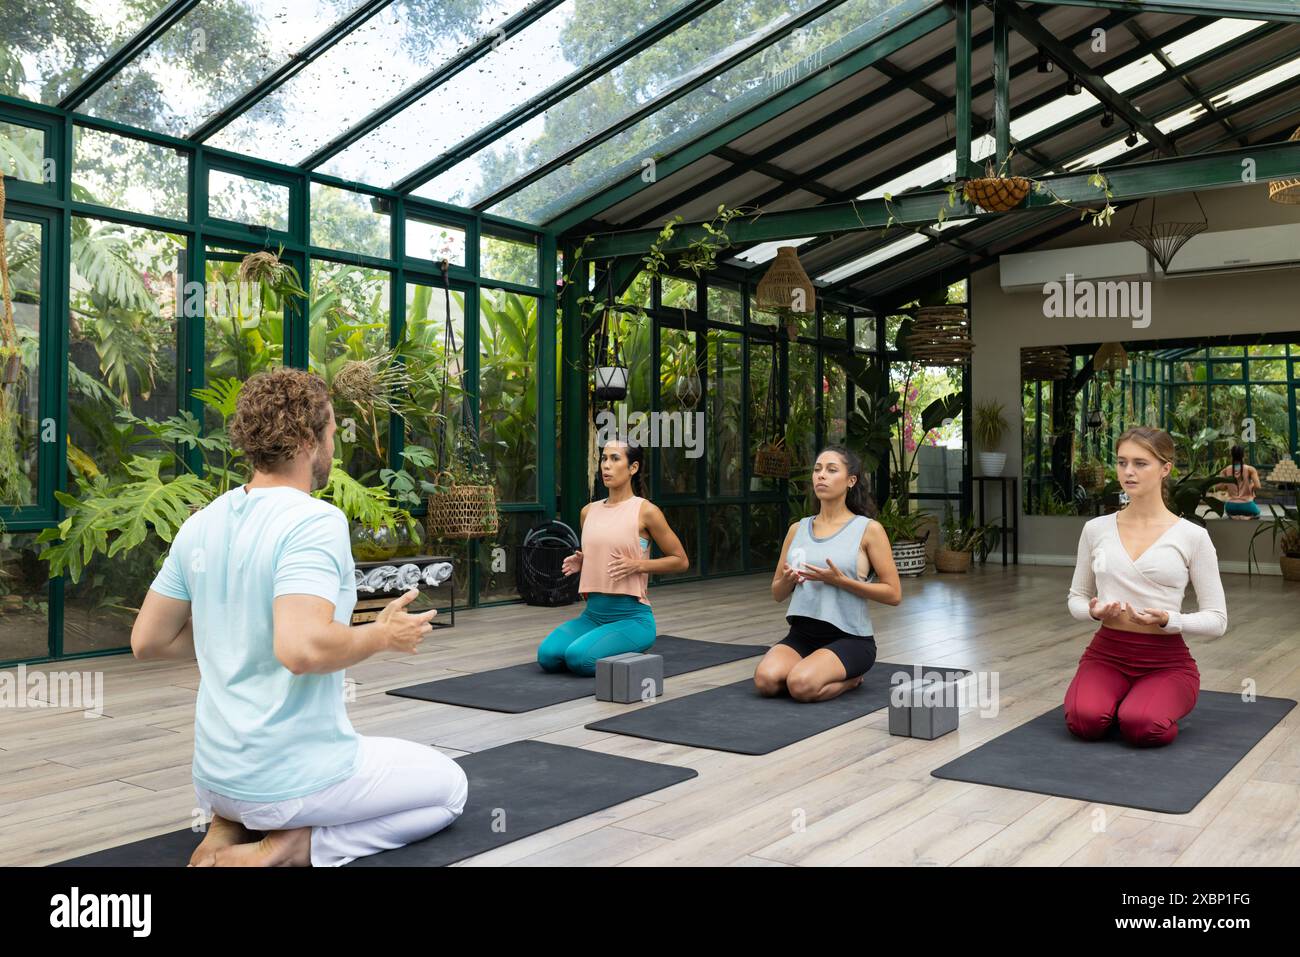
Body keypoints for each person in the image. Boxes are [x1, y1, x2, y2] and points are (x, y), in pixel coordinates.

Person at [130, 368, 468, 866]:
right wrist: (380, 635)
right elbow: (301, 649)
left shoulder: (202, 522)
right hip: (287, 782)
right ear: (309, 438)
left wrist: (236, 627)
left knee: (361, 752)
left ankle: (230, 824)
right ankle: (294, 848)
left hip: (217, 778)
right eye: (332, 431)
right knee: (450, 788)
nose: (335, 442)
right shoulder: (313, 520)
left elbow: (149, 640)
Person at [1065, 425, 1227, 747]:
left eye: (1140, 463)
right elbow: (1076, 598)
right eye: (1122, 462)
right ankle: (1118, 700)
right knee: (1084, 722)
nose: (1128, 471)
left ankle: (1140, 703)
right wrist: (1093, 612)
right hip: (1106, 653)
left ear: (1165, 469)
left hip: (1165, 661)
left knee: (1142, 726)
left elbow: (1217, 620)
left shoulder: (1192, 537)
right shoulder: (1095, 529)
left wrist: (1170, 619)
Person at [756, 446, 901, 702]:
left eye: (832, 470)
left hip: (850, 639)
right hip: (802, 635)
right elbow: (777, 593)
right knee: (766, 681)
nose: (821, 475)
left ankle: (851, 681)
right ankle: (811, 669)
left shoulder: (869, 530)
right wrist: (788, 581)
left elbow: (893, 594)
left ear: (850, 480)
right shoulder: (797, 529)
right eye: (817, 470)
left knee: (800, 686)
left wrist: (842, 582)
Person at [538, 438, 689, 675]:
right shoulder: (588, 511)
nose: (606, 465)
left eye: (615, 459)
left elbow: (681, 560)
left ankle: (630, 645)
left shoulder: (646, 511)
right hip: (593, 615)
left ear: (633, 468)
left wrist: (638, 565)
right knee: (547, 656)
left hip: (633, 619)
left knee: (578, 659)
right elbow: (603, 552)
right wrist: (583, 561)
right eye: (604, 458)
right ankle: (607, 644)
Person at [1216, 445, 1261, 519]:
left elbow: (1219, 487)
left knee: (1229, 513)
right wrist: (1251, 485)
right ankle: (1247, 518)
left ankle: (1233, 516)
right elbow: (1258, 486)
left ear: (1231, 455)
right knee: (1257, 514)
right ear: (1244, 455)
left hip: (1230, 507)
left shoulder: (1225, 470)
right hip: (1247, 505)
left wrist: (1228, 485)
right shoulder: (1250, 469)